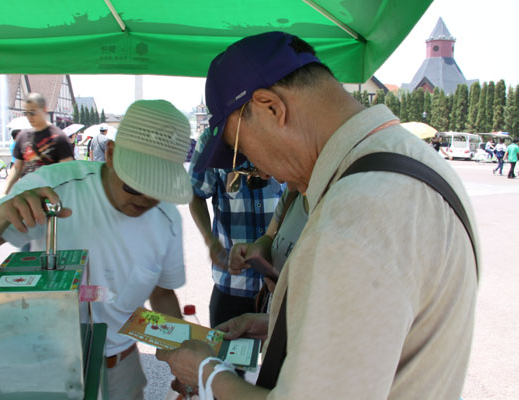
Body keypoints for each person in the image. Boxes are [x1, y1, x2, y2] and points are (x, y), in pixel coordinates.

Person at [157, 31, 479, 400]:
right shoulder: (407, 165)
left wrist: (205, 373)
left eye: (240, 152)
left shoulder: (356, 215)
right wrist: (279, 323)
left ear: (271, 107)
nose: (258, 170)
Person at [0, 99, 194, 400]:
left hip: (121, 366)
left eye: (158, 190)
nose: (145, 200)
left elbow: (161, 293)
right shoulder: (55, 188)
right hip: (47, 363)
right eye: (133, 184)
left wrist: (182, 358)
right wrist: (4, 212)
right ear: (111, 153)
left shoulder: (167, 219)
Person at [188, 128, 283, 330]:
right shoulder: (214, 139)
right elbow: (195, 193)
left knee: (281, 360)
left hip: (281, 284)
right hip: (232, 284)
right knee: (225, 359)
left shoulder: (283, 132)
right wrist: (210, 240)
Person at [4, 92, 74, 194]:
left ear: (44, 110)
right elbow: (17, 168)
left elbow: (67, 172)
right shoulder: (22, 136)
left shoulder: (59, 138)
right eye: (26, 113)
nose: (29, 116)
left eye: (32, 112)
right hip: (28, 195)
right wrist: (5, 192)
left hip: (52, 197)